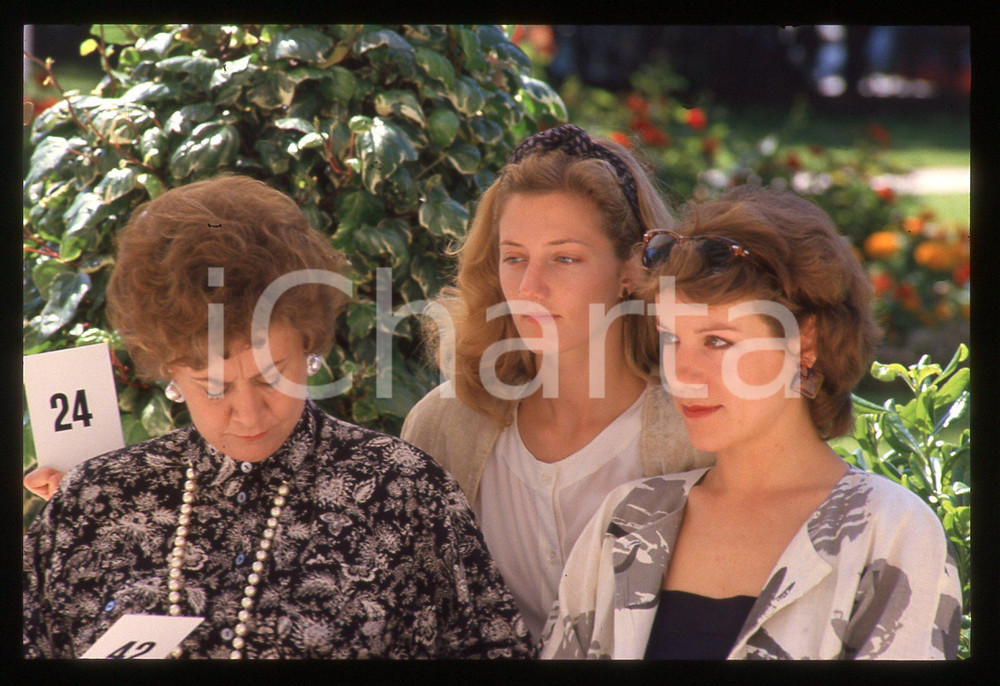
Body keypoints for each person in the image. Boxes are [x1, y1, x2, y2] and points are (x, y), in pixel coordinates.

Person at [22, 174, 534, 659]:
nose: (248, 412)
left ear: (309, 344)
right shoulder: (95, 501)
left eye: (272, 376)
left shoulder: (400, 491)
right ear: (169, 372)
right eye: (213, 387)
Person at [539, 185, 962, 659]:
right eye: (671, 338)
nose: (682, 374)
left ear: (805, 341)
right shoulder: (625, 522)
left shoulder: (892, 533)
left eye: (717, 341)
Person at [401, 124, 713, 640]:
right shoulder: (443, 426)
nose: (530, 288)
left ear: (631, 270)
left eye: (564, 258)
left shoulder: (695, 432)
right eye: (514, 257)